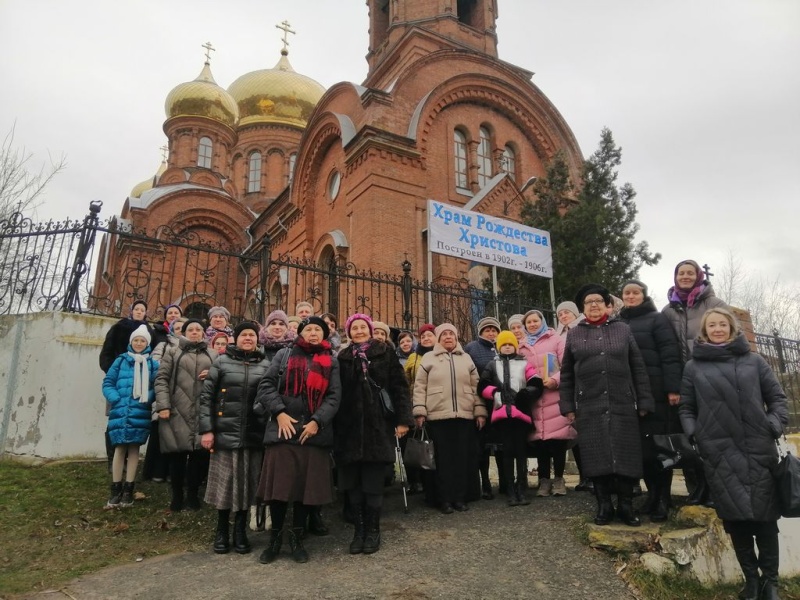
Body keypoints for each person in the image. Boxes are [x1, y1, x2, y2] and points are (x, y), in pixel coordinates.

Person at [679, 307, 788, 600]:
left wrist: (773, 425)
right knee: (736, 520)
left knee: (766, 519)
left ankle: (771, 583)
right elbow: (686, 407)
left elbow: (777, 399)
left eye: (722, 324)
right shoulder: (694, 367)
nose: (717, 329)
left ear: (732, 328)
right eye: (711, 325)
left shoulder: (753, 361)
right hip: (718, 451)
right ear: (704, 331)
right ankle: (751, 582)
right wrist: (695, 434)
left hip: (758, 448)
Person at [559, 284, 655, 527]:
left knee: (625, 453)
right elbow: (567, 373)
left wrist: (644, 400)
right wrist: (568, 406)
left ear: (607, 305)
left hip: (622, 401)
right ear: (583, 308)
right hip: (589, 404)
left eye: (598, 301)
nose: (594, 305)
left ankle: (625, 506)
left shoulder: (622, 330)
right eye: (589, 302)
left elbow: (638, 367)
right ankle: (603, 506)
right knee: (596, 453)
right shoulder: (574, 334)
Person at [254, 316, 341, 564]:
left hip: (312, 434)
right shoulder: (284, 355)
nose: (313, 333)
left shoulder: (331, 362)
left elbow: (334, 397)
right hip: (283, 431)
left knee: (304, 491)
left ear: (324, 335)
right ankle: (275, 540)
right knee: (279, 491)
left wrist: (317, 421)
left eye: (318, 330)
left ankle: (296, 538)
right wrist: (279, 413)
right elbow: (266, 386)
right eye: (308, 329)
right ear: (300, 333)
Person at [335, 313, 412, 554]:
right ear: (348, 332)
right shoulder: (343, 356)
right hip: (349, 428)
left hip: (378, 426)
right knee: (354, 484)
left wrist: (402, 420)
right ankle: (359, 531)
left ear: (369, 330)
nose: (358, 331)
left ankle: (373, 531)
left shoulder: (384, 352)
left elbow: (399, 386)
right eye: (354, 328)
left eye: (362, 327)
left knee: (373, 482)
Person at [662, 259, 730, 505]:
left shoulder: (715, 304)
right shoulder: (668, 311)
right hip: (685, 381)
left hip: (713, 378)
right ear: (675, 276)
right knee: (689, 435)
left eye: (690, 272)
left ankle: (717, 490)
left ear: (699, 276)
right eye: (681, 273)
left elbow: (731, 335)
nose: (686, 276)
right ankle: (696, 489)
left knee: (715, 436)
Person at [198, 322, 269, 555]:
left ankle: (240, 531)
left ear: (257, 339)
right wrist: (207, 430)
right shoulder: (221, 362)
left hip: (253, 435)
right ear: (235, 339)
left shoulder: (265, 364)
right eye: (243, 335)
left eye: (252, 335)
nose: (248, 338)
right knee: (225, 485)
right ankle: (221, 531)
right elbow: (206, 398)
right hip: (225, 434)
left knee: (247, 485)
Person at [618, 280, 682, 522]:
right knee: (641, 450)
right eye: (627, 293)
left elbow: (669, 353)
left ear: (643, 296)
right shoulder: (619, 322)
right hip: (630, 393)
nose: (631, 296)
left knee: (659, 448)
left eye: (636, 292)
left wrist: (673, 388)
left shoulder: (657, 319)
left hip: (656, 393)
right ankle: (651, 495)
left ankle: (663, 498)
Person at [412, 323, 487, 514]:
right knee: (442, 461)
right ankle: (444, 499)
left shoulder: (466, 358)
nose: (447, 337)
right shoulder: (429, 358)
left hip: (464, 415)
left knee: (461, 459)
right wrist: (420, 411)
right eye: (443, 334)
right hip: (438, 416)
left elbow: (475, 387)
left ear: (456, 338)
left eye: (451, 334)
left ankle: (460, 498)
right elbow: (419, 386)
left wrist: (479, 411)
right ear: (438, 338)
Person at [154, 318, 217, 511]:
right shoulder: (173, 353)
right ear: (184, 332)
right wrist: (163, 405)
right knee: (177, 454)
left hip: (203, 411)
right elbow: (161, 379)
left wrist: (212, 374)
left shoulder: (213, 354)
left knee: (199, 455)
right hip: (177, 410)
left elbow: (222, 379)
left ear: (204, 333)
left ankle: (192, 493)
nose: (195, 332)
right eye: (191, 329)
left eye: (199, 329)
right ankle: (177, 495)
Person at [478, 331, 543, 506]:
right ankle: (510, 490)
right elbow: (482, 385)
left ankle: (522, 488)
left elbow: (536, 383)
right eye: (504, 344)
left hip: (520, 414)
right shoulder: (492, 365)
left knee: (521, 452)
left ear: (515, 346)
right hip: (501, 415)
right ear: (499, 347)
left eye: (510, 344)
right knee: (506, 453)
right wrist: (494, 393)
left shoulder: (524, 364)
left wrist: (526, 393)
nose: (507, 347)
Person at [102, 324, 159, 508]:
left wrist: (147, 398)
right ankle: (115, 487)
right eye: (136, 340)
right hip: (120, 409)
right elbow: (108, 382)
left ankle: (128, 488)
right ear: (131, 342)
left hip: (140, 410)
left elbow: (157, 385)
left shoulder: (152, 364)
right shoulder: (120, 361)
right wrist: (115, 397)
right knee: (119, 448)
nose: (139, 343)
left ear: (147, 343)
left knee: (134, 449)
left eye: (142, 340)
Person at [518, 309, 574, 497]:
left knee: (557, 440)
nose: (532, 324)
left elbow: (567, 364)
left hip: (555, 396)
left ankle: (558, 479)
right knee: (540, 441)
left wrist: (555, 380)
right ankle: (543, 480)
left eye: (535, 321)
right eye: (529, 322)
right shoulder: (522, 346)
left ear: (542, 321)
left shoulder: (556, 339)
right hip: (535, 399)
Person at [100, 300, 156, 474]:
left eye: (142, 310)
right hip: (120, 384)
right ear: (132, 311)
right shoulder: (119, 327)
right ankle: (113, 459)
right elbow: (107, 352)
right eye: (137, 309)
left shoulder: (150, 331)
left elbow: (152, 357)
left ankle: (128, 464)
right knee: (115, 422)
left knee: (135, 425)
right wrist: (117, 373)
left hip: (141, 388)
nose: (139, 312)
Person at [553, 301, 590, 492]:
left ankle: (592, 476)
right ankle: (584, 476)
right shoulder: (558, 335)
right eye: (560, 314)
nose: (564, 316)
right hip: (570, 386)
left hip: (586, 385)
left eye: (567, 312)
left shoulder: (585, 328)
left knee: (589, 433)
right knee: (576, 434)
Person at [464, 316, 502, 499]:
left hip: (502, 403)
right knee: (482, 447)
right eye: (487, 329)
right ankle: (484, 483)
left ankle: (505, 483)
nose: (491, 332)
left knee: (502, 445)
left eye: (494, 329)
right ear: (480, 332)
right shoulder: (471, 348)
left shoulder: (504, 346)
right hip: (481, 402)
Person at [402, 323, 437, 496]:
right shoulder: (413, 358)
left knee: (432, 445)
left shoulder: (441, 355)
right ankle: (414, 480)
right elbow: (406, 381)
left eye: (429, 335)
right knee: (416, 443)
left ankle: (430, 481)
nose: (426, 338)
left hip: (436, 405)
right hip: (416, 404)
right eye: (423, 337)